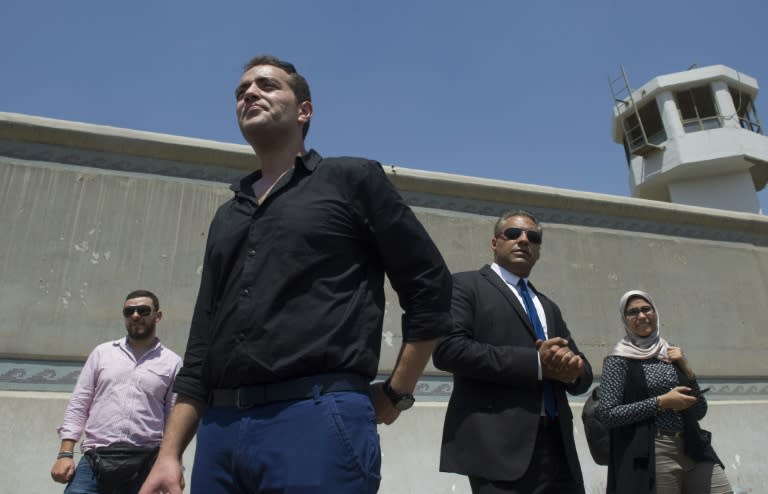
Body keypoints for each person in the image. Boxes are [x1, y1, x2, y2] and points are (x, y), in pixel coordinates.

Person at [139, 55, 452, 494]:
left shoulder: (351, 179)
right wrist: (169, 453)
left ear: (304, 110)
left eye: (267, 85)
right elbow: (203, 339)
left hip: (319, 418)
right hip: (220, 431)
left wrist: (398, 392)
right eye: (241, 91)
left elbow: (430, 285)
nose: (249, 93)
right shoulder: (228, 216)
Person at [433, 210, 593, 494]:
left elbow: (582, 372)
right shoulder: (464, 286)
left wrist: (574, 370)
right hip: (498, 450)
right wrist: (536, 363)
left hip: (558, 450)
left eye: (532, 237)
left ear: (539, 251)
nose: (523, 240)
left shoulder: (547, 305)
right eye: (513, 234)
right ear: (495, 243)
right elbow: (449, 350)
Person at [595, 290, 732, 494]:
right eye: (633, 312)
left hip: (692, 445)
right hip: (654, 450)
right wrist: (661, 402)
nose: (641, 316)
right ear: (624, 320)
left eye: (646, 309)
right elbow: (607, 414)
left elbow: (699, 411)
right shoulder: (618, 360)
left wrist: (688, 370)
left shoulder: (669, 352)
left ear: (655, 312)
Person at [51, 290, 182, 494]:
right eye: (129, 311)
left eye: (143, 310)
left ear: (158, 315)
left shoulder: (172, 362)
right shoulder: (102, 354)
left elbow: (174, 419)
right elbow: (79, 404)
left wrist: (174, 463)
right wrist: (64, 454)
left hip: (147, 462)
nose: (135, 315)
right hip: (95, 460)